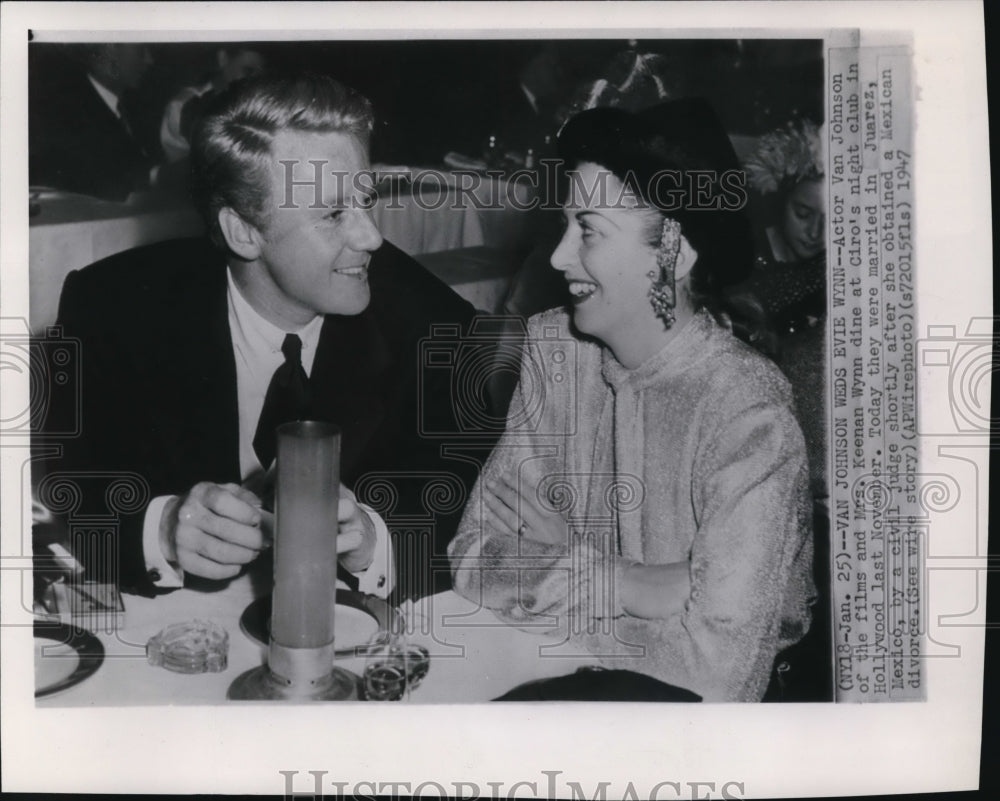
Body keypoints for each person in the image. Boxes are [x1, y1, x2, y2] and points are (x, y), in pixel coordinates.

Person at [36, 74, 493, 601]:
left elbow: (470, 518)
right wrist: (160, 529)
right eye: (333, 213)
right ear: (243, 232)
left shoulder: (435, 326)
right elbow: (72, 493)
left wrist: (375, 543)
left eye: (366, 199)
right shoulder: (111, 307)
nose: (372, 236)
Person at [449, 99, 816, 702]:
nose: (558, 255)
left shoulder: (748, 412)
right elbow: (471, 559)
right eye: (567, 226)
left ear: (674, 252)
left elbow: (716, 678)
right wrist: (630, 584)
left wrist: (559, 568)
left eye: (588, 229)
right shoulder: (553, 348)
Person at [29, 43, 160, 201]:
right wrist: (164, 175)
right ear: (109, 48)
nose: (149, 59)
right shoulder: (63, 113)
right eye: (141, 49)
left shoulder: (134, 108)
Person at [159, 45, 266, 163]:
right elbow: (178, 167)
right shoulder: (182, 105)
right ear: (223, 59)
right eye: (248, 71)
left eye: (260, 75)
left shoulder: (262, 107)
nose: (254, 80)